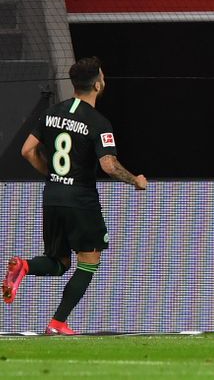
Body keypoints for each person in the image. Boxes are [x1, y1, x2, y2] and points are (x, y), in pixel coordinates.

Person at [2, 57, 147, 335]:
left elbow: (27, 150)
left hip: (53, 195)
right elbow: (108, 164)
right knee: (89, 261)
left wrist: (52, 174)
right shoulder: (98, 122)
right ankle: (57, 323)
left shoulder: (51, 113)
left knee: (59, 263)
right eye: (102, 76)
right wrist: (135, 181)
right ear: (97, 83)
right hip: (80, 199)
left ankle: (24, 266)